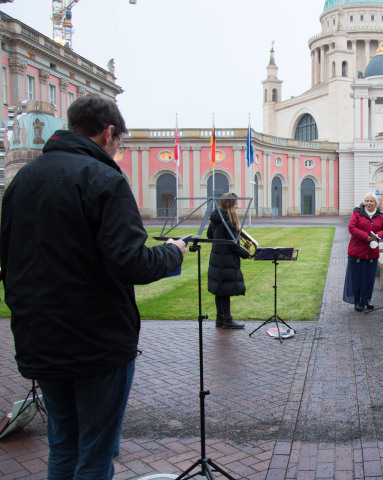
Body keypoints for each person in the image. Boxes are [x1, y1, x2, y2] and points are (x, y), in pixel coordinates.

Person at [0, 94, 187, 480]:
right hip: (96, 343)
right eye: (119, 142)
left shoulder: (22, 182)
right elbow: (131, 262)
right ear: (107, 133)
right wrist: (173, 253)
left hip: (39, 338)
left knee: (63, 447)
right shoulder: (104, 179)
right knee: (96, 456)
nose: (117, 150)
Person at [207, 193, 252, 329]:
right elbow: (233, 245)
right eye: (236, 203)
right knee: (225, 290)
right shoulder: (230, 220)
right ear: (230, 204)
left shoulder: (216, 218)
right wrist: (246, 254)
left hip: (216, 258)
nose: (238, 206)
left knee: (219, 290)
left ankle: (219, 319)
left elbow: (209, 235)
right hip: (226, 260)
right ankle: (227, 319)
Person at [343, 192, 383, 311]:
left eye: (371, 201)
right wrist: (365, 236)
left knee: (369, 277)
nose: (369, 203)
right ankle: (357, 301)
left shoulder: (381, 216)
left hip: (372, 251)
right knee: (357, 277)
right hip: (358, 250)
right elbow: (351, 228)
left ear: (375, 203)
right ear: (364, 202)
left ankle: (367, 299)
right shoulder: (357, 213)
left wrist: (378, 235)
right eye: (367, 201)